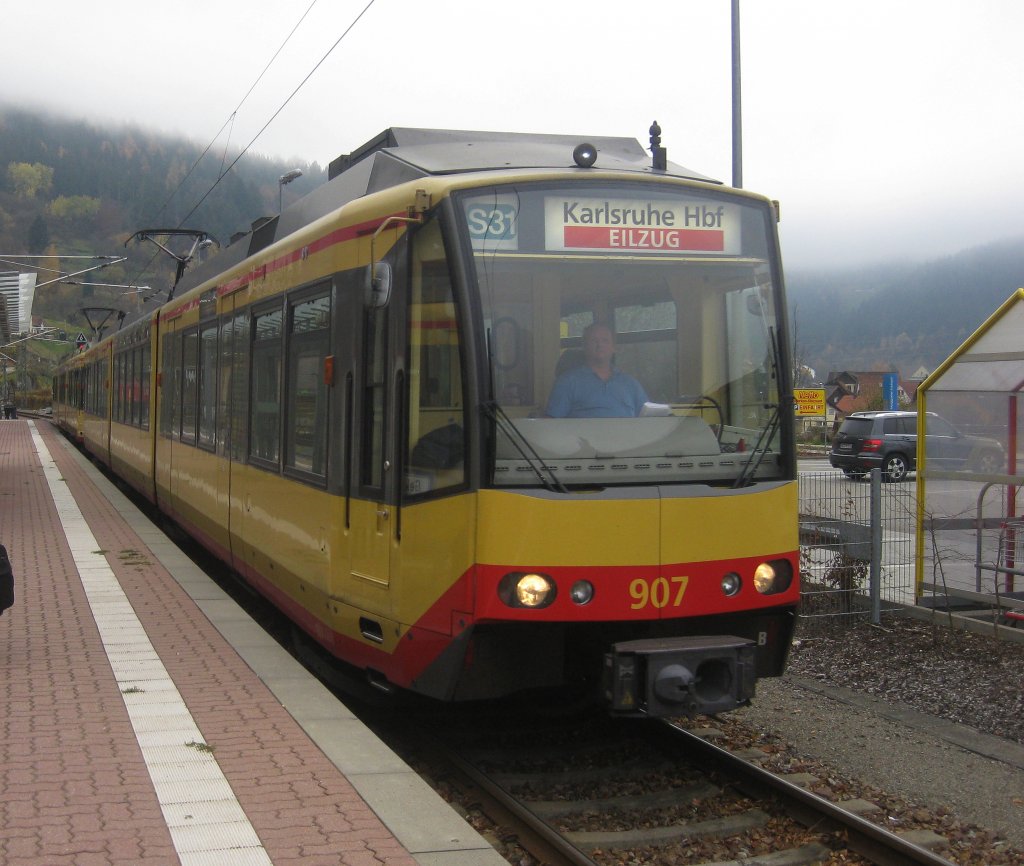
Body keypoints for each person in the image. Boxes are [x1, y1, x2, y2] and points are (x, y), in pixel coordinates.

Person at [546, 323, 648, 418]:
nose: (600, 345)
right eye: (594, 340)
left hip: (628, 437)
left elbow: (648, 421)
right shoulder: (567, 382)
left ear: (614, 347)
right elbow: (551, 425)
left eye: (605, 340)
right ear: (584, 346)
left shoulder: (631, 384)